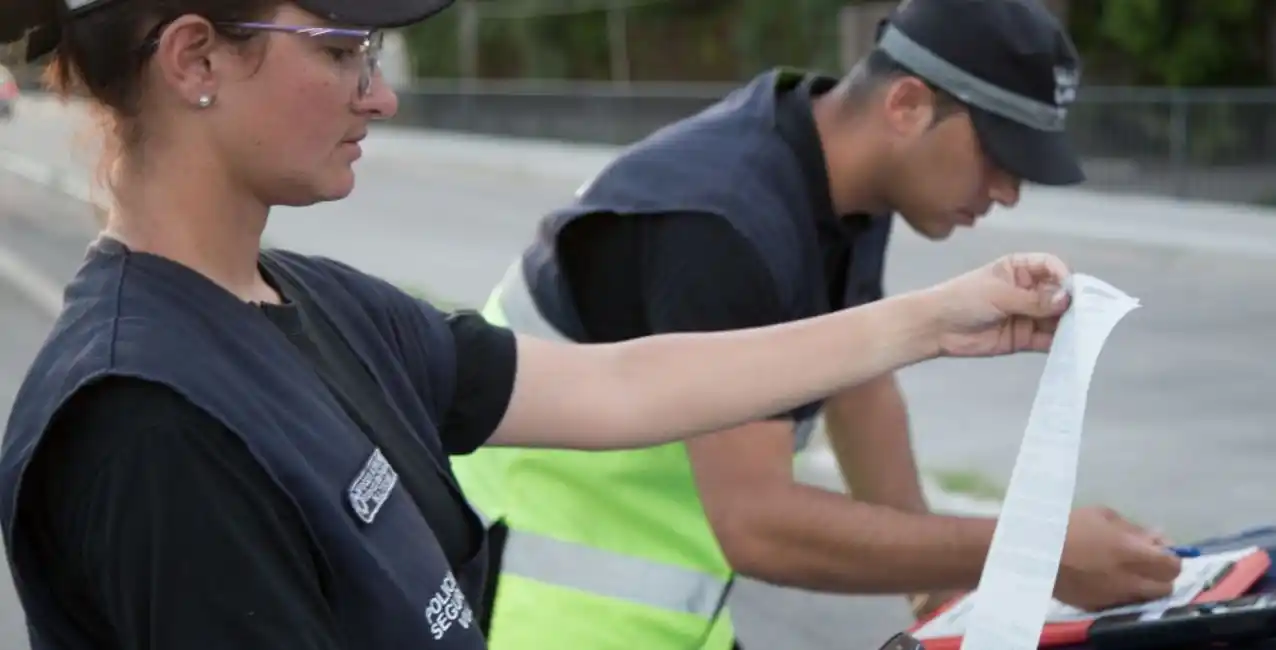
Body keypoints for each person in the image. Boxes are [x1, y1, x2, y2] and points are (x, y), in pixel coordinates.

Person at [0, 0, 1082, 649]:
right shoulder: (144, 418)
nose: (378, 97)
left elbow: (615, 387)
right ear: (193, 60)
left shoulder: (319, 301)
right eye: (342, 51)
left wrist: (938, 318)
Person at [449, 0, 1183, 649]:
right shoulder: (722, 223)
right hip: (527, 611)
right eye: (999, 154)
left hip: (659, 614)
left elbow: (859, 387)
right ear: (906, 106)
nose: (1009, 192)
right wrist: (1029, 551)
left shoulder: (834, 178)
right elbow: (758, 521)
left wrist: (939, 598)